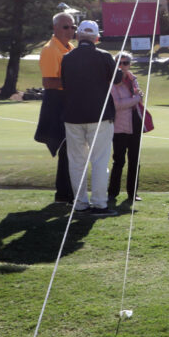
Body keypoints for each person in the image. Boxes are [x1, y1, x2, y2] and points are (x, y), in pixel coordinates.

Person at [60, 20, 122, 216]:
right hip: (99, 116)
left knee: (77, 162)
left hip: (72, 116)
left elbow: (64, 82)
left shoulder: (67, 58)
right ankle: (99, 204)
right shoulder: (103, 56)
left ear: (78, 36)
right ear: (96, 38)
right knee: (100, 161)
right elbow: (117, 78)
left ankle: (80, 204)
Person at [34, 11, 75, 204]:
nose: (70, 30)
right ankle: (64, 194)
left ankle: (66, 193)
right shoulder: (50, 49)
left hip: (68, 101)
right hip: (57, 101)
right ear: (55, 28)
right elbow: (49, 82)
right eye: (66, 27)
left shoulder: (70, 47)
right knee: (66, 148)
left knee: (71, 149)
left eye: (73, 27)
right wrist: (77, 82)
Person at [109, 52, 144, 204]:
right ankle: (112, 193)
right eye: (119, 63)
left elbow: (135, 99)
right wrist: (136, 98)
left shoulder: (132, 79)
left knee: (135, 160)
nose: (122, 66)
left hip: (135, 123)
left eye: (126, 62)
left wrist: (136, 98)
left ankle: (133, 193)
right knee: (119, 161)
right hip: (119, 126)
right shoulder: (111, 82)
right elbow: (117, 105)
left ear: (130, 64)